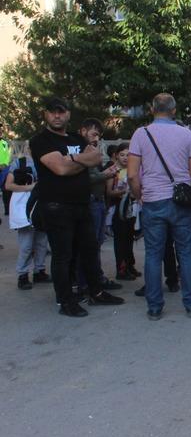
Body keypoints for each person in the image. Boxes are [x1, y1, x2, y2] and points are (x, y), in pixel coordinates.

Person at [28, 96, 124, 317]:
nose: (57, 115)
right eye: (53, 112)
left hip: (82, 204)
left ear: (68, 114)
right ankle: (66, 301)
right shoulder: (41, 140)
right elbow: (60, 169)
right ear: (46, 114)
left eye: (61, 111)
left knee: (90, 251)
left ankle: (96, 292)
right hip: (56, 206)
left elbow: (96, 157)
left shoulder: (74, 138)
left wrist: (70, 158)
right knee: (63, 256)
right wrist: (80, 160)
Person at [127, 93, 191, 320]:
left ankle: (154, 308)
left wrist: (139, 195)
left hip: (153, 201)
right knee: (187, 253)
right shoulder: (187, 134)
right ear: (174, 110)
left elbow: (132, 174)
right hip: (182, 202)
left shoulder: (140, 135)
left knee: (153, 254)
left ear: (152, 109)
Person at [76, 119, 121, 291]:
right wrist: (107, 174)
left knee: (97, 242)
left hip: (98, 200)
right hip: (90, 201)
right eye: (94, 134)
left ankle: (96, 277)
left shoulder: (92, 150)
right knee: (89, 244)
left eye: (98, 135)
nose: (96, 138)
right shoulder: (80, 151)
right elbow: (90, 177)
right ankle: (86, 282)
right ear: (83, 131)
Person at [5, 153, 50, 290]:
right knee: (27, 244)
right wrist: (29, 188)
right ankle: (23, 275)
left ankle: (39, 271)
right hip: (23, 206)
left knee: (42, 241)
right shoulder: (20, 162)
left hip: (40, 203)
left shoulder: (46, 160)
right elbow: (8, 185)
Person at [108, 143, 138, 281]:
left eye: (128, 155)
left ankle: (130, 265)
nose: (126, 158)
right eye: (122, 155)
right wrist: (123, 192)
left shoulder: (134, 170)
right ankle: (121, 269)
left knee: (129, 238)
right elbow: (109, 192)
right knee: (120, 240)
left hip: (131, 208)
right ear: (116, 155)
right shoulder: (112, 171)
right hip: (118, 209)